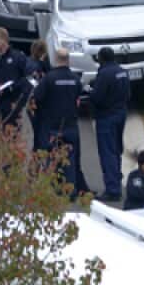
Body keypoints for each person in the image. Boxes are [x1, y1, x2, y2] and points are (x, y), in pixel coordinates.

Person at [31, 47, 90, 199]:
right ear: (68, 60)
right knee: (71, 157)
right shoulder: (75, 79)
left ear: (56, 60)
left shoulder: (49, 78)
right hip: (71, 125)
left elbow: (36, 98)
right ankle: (72, 189)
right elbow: (81, 97)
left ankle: (59, 190)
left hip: (53, 126)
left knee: (54, 157)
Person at [90, 46, 132, 202]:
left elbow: (97, 97)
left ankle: (113, 189)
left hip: (107, 117)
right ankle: (117, 178)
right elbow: (128, 94)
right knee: (116, 149)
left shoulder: (104, 74)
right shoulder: (122, 71)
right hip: (120, 113)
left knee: (107, 152)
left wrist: (90, 92)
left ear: (101, 58)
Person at [0, 27, 29, 126]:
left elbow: (27, 80)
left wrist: (20, 102)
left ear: (4, 40)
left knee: (11, 136)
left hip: (11, 106)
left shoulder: (18, 58)